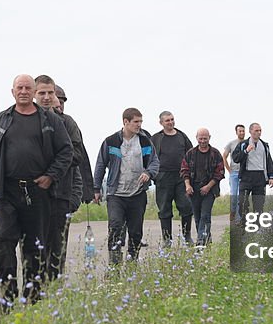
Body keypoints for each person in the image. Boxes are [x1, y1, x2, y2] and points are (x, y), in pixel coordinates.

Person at [0, 74, 72, 316]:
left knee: (35, 247)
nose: (23, 91)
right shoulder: (1, 121)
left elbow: (66, 151)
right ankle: (7, 297)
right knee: (2, 244)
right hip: (7, 192)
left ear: (34, 92)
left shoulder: (50, 120)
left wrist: (50, 176)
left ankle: (32, 299)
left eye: (28, 88)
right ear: (12, 92)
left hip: (38, 193)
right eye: (19, 88)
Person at [93, 108, 160, 265]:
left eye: (141, 121)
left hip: (137, 194)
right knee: (115, 227)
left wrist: (148, 173)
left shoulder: (145, 141)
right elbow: (100, 165)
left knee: (136, 232)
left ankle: (132, 264)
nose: (139, 125)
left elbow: (154, 161)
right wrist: (96, 189)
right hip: (116, 194)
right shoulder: (111, 142)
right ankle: (114, 265)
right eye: (136, 122)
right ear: (125, 122)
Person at [34, 76, 84, 282]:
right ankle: (34, 286)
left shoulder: (68, 123)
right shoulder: (23, 120)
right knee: (33, 245)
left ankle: (53, 287)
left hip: (60, 194)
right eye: (44, 94)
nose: (56, 101)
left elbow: (77, 156)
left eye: (55, 96)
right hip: (33, 195)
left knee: (57, 246)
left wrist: (51, 166)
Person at [151, 111, 194, 247]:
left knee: (186, 206)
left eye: (172, 119)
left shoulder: (182, 136)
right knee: (164, 208)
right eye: (167, 120)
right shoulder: (156, 138)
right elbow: (149, 157)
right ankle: (167, 239)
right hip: (163, 177)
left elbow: (191, 154)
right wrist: (155, 175)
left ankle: (187, 236)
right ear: (161, 123)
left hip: (181, 177)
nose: (170, 122)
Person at [181, 128, 224, 246]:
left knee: (205, 215)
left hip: (210, 189)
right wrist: (187, 185)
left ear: (209, 137)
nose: (203, 141)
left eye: (205, 138)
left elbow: (220, 173)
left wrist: (208, 187)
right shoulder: (190, 153)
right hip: (193, 189)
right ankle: (207, 239)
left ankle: (201, 241)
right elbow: (184, 170)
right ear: (196, 138)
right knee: (198, 216)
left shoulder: (215, 153)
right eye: (201, 138)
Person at [54, 85, 94, 209]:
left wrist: (84, 193)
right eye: (57, 102)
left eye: (61, 102)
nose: (59, 106)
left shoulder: (69, 124)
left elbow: (80, 160)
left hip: (65, 193)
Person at [231, 123, 273, 215]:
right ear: (250, 131)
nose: (258, 133)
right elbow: (235, 158)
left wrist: (271, 176)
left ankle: (257, 227)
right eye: (256, 131)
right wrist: (245, 151)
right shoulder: (243, 144)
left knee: (258, 205)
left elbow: (269, 161)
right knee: (243, 203)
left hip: (260, 177)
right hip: (246, 177)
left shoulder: (264, 145)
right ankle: (244, 225)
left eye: (260, 130)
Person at [222, 124, 245, 222]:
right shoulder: (231, 144)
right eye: (240, 131)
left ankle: (238, 220)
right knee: (234, 196)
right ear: (236, 132)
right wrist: (229, 170)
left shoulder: (247, 143)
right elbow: (224, 156)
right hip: (234, 173)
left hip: (244, 173)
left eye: (243, 131)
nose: (242, 133)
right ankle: (232, 215)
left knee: (241, 197)